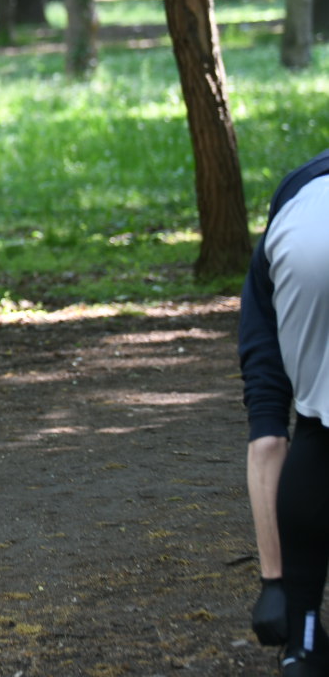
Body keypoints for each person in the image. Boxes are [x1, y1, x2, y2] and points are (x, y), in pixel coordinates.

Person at [240, 148, 329, 674]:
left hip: (304, 237)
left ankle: (302, 635)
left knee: (317, 422)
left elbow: (269, 431)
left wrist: (272, 582)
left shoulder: (298, 187)